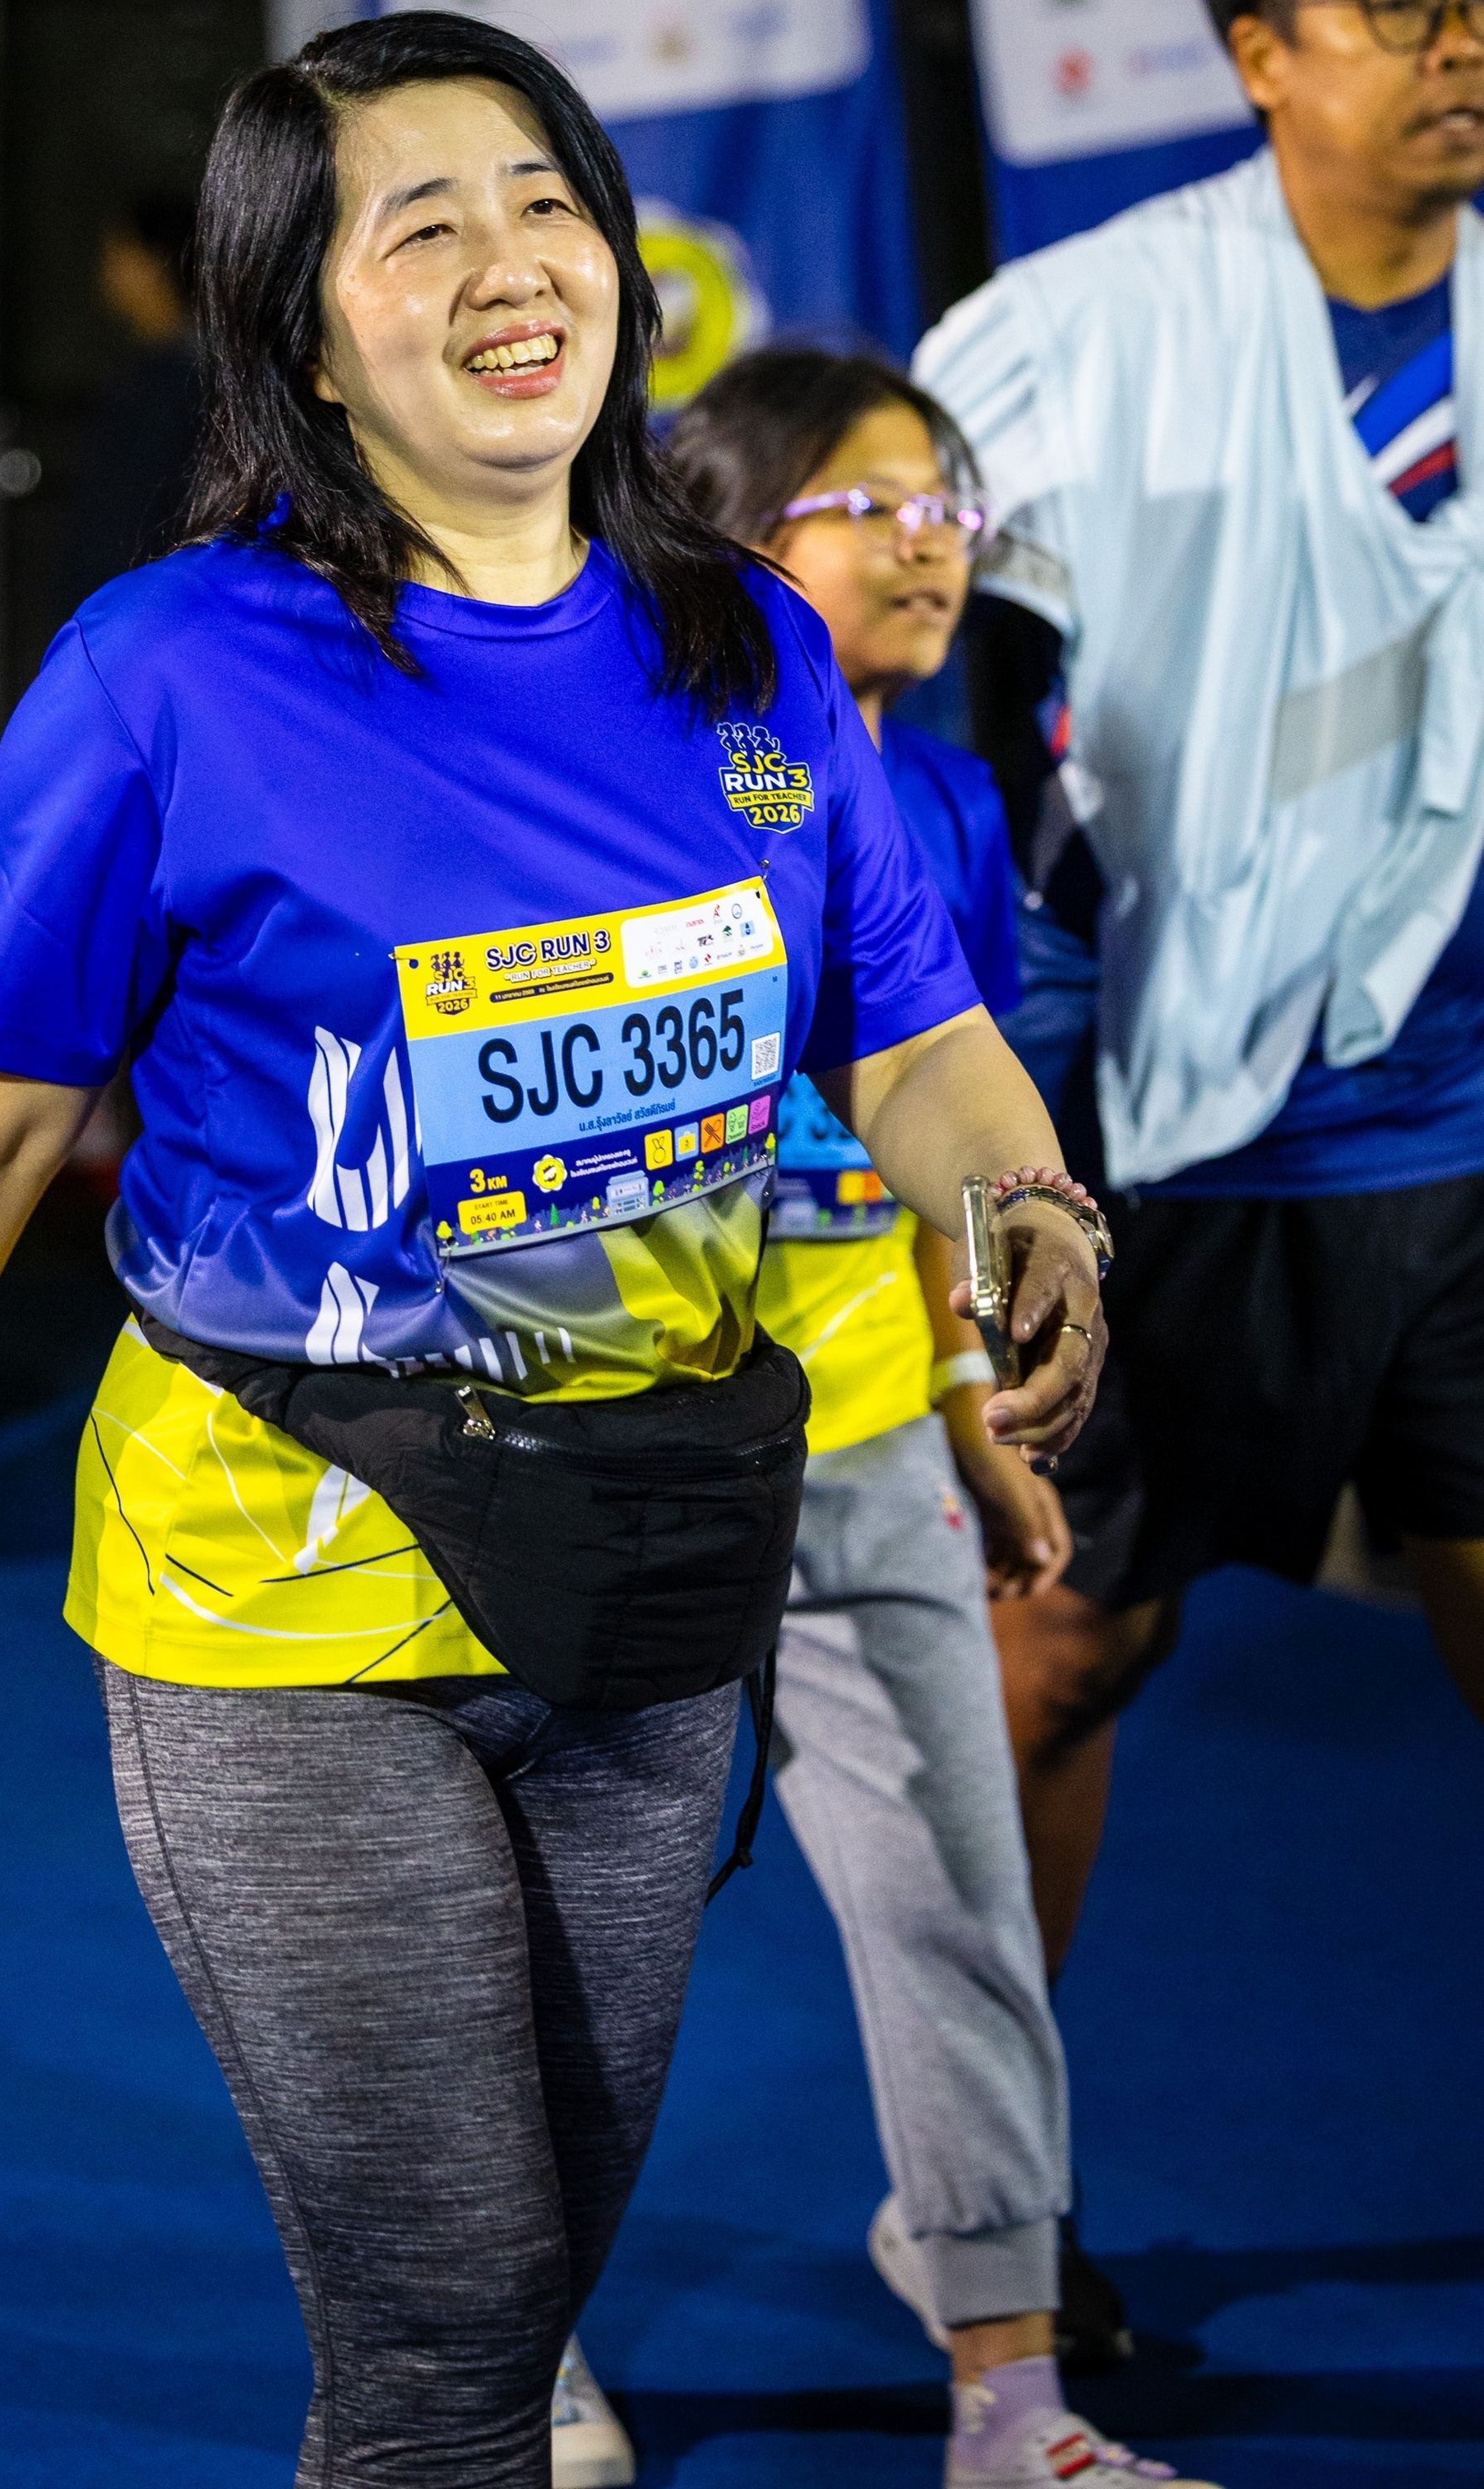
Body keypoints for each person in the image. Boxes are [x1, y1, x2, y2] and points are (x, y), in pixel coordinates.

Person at [0, 12, 1111, 2489]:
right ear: (301, 332)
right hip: (281, 1584)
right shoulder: (163, 676)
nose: (508, 260)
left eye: (545, 199)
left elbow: (911, 1037)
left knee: (532, 2257)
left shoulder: (748, 643)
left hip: (654, 1567)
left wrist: (1025, 1203)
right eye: (417, 222)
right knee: (447, 2344)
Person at [916, 0, 1484, 1993]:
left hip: (1461, 1120)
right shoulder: (1081, 333)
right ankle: (990, 2156)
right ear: (1260, 49)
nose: (1457, 40)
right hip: (1173, 1130)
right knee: (1071, 1644)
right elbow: (838, 593)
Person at [628, 347, 1186, 2489]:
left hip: (865, 1427)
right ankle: (508, 2349)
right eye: (877, 505)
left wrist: (966, 1390)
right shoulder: (619, 767)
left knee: (960, 1896)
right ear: (734, 528)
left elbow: (914, 1138)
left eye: (951, 505)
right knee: (572, 1946)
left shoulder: (942, 803)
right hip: (616, 1446)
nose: (934, 543)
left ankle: (1010, 2402)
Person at [57, 187, 204, 612]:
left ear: (155, 263)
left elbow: (124, 521)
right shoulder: (172, 373)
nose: (105, 274)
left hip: (143, 610)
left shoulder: (172, 384)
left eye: (118, 255)